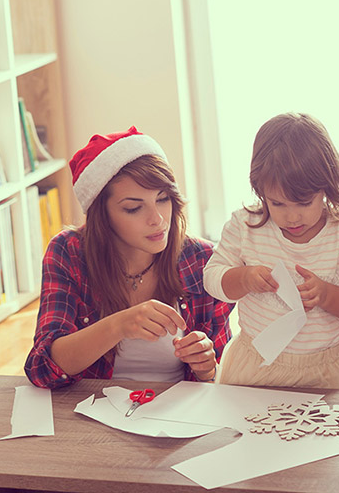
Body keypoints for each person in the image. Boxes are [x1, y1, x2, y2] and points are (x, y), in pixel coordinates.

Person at [25, 127, 233, 388]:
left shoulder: (201, 260)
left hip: (177, 417)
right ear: (102, 215)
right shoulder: (68, 252)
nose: (157, 220)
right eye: (134, 208)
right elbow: (42, 369)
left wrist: (207, 369)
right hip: (91, 415)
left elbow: (224, 378)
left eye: (163, 199)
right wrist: (119, 325)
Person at [203, 112, 339, 388]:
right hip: (255, 367)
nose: (292, 217)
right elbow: (212, 277)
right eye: (278, 204)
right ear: (260, 191)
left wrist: (327, 294)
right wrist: (244, 278)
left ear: (327, 186)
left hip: (325, 372)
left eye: (303, 203)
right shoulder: (244, 226)